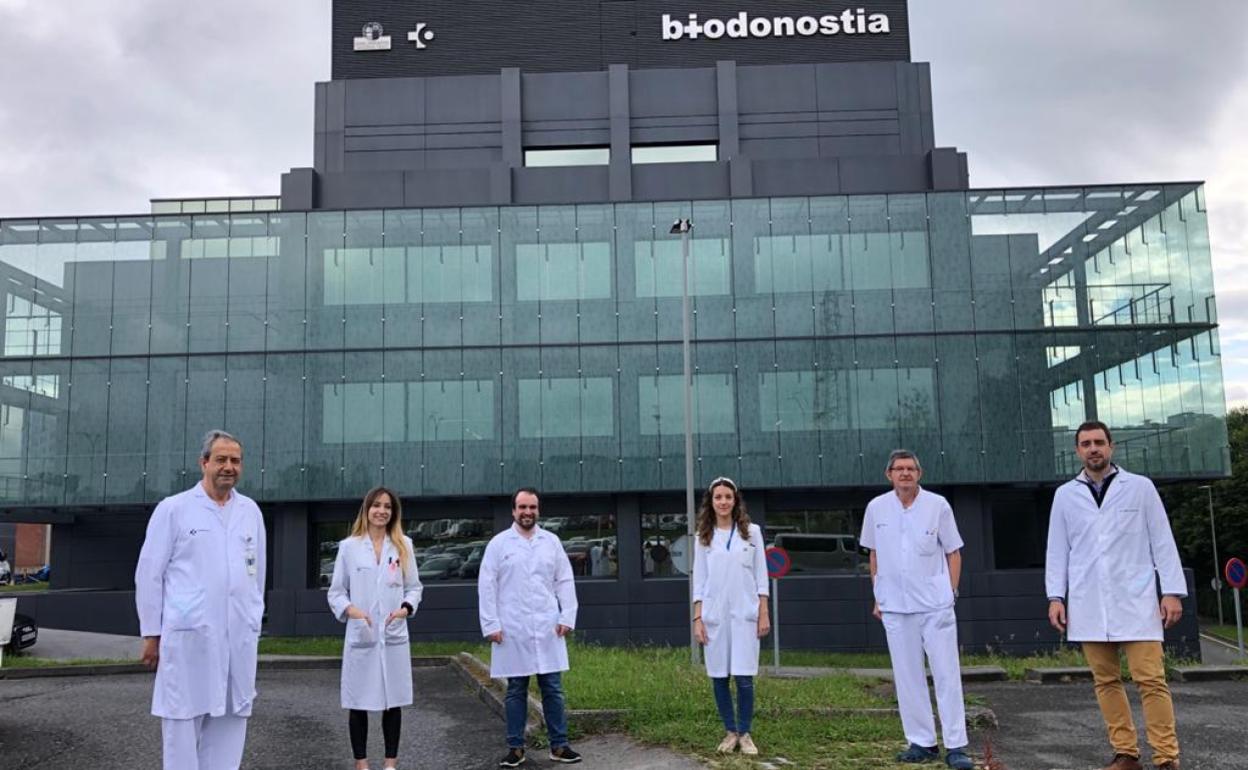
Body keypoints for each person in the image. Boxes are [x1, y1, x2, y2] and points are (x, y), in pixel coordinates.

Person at [1045, 421, 1186, 770]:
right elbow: (1057, 549)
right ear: (1077, 450)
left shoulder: (1140, 488)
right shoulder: (1065, 495)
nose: (1093, 449)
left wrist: (1171, 592)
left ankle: (1166, 757)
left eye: (1098, 442)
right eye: (1085, 443)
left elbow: (1162, 542)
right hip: (1088, 601)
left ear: (1112, 446)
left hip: (1136, 600)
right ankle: (1126, 753)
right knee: (1105, 681)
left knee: (1151, 680)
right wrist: (1055, 596)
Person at [135, 430, 266, 770]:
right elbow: (149, 574)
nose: (228, 467)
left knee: (231, 722)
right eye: (221, 459)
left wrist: (253, 620)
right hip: (188, 636)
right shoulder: (174, 509)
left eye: (235, 461)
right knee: (182, 724)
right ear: (204, 462)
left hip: (237, 637)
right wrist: (152, 633)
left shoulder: (250, 511)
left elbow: (257, 575)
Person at [860, 449, 973, 769]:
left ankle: (956, 746)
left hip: (935, 605)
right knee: (907, 676)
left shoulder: (937, 505)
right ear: (889, 475)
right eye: (899, 469)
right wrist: (878, 594)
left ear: (919, 474)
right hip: (895, 606)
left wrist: (949, 593)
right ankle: (922, 742)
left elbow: (954, 552)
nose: (905, 473)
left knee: (946, 673)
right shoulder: (876, 508)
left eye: (911, 469)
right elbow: (874, 555)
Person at [478, 487, 582, 767]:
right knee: (515, 690)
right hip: (512, 628)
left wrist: (566, 616)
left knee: (553, 688)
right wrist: (491, 623)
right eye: (522, 507)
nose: (527, 512)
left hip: (547, 625)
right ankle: (516, 748)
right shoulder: (499, 544)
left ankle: (559, 746)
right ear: (513, 511)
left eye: (532, 507)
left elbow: (564, 580)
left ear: (538, 510)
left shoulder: (551, 542)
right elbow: (487, 585)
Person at [327, 486, 423, 770]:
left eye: (387, 507)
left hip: (393, 632)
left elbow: (414, 587)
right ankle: (362, 763)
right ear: (366, 509)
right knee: (358, 701)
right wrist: (351, 610)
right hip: (362, 633)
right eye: (376, 505)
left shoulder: (404, 545)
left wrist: (405, 607)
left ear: (394, 513)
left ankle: (390, 763)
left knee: (393, 700)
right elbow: (335, 592)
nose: (381, 511)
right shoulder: (350, 547)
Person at [691, 477, 769, 756]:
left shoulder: (752, 533)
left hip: (745, 614)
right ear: (710, 502)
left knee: (744, 675)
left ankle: (745, 733)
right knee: (719, 676)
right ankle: (730, 731)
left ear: (735, 501)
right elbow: (699, 580)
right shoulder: (704, 536)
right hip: (715, 617)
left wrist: (763, 612)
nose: (723, 502)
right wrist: (698, 618)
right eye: (718, 497)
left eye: (728, 497)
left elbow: (761, 575)